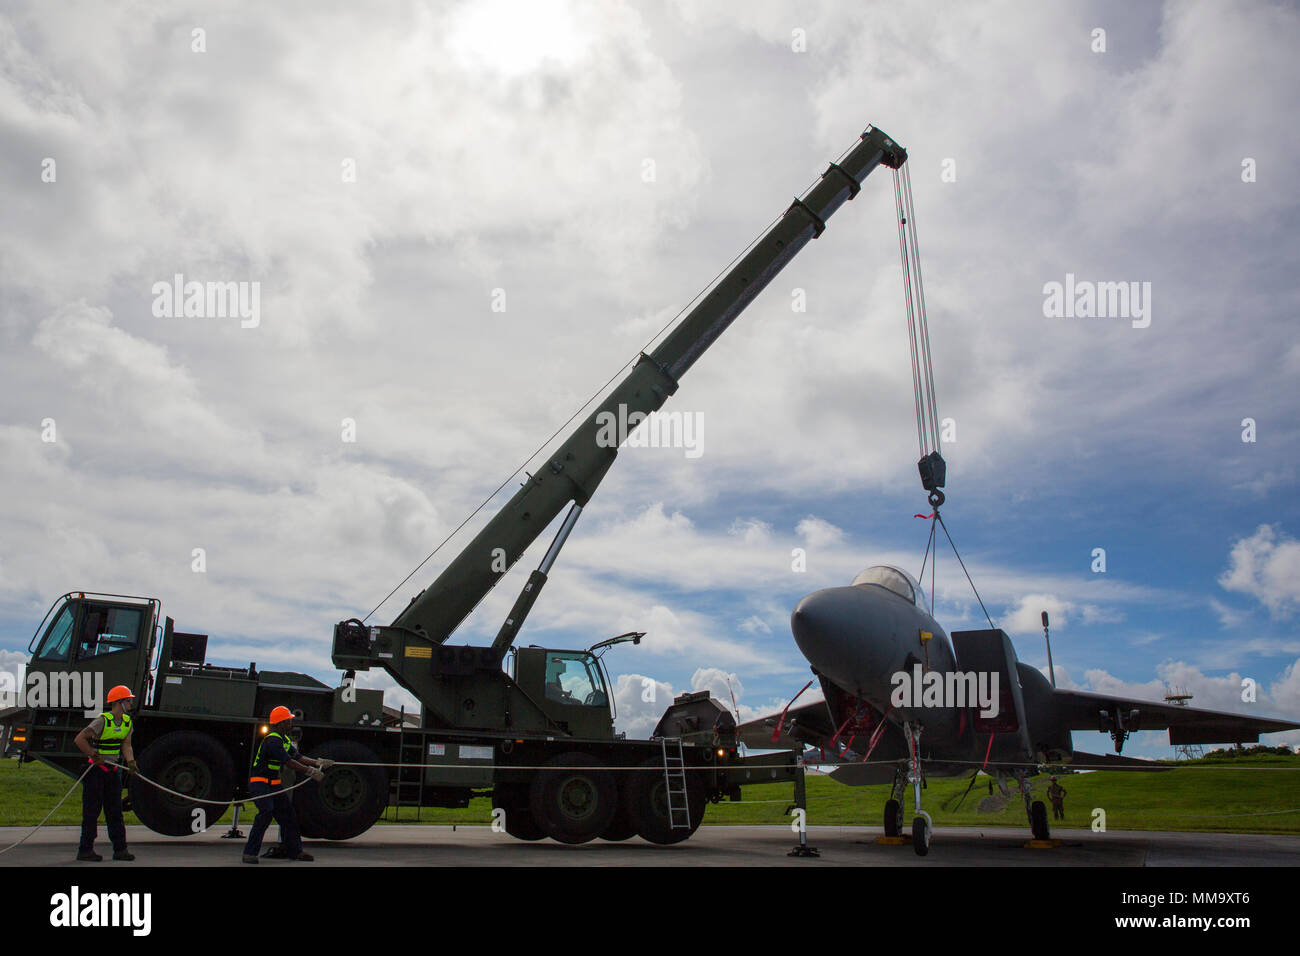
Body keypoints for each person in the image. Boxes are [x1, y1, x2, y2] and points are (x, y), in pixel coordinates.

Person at [242, 706, 332, 863]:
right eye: (289, 720)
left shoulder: (283, 740)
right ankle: (249, 853)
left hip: (273, 784)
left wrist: (318, 762)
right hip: (260, 783)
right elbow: (289, 762)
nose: (291, 722)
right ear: (281, 722)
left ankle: (295, 852)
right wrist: (311, 772)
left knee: (288, 815)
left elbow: (298, 757)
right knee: (266, 812)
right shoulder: (272, 741)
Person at [73, 684, 138, 861]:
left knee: (115, 811)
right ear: (119, 702)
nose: (131, 703)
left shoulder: (126, 722)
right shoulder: (103, 720)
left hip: (113, 771)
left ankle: (120, 849)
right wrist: (94, 755)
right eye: (128, 700)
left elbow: (126, 744)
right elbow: (79, 739)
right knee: (92, 811)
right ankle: (85, 850)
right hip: (96, 771)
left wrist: (131, 761)